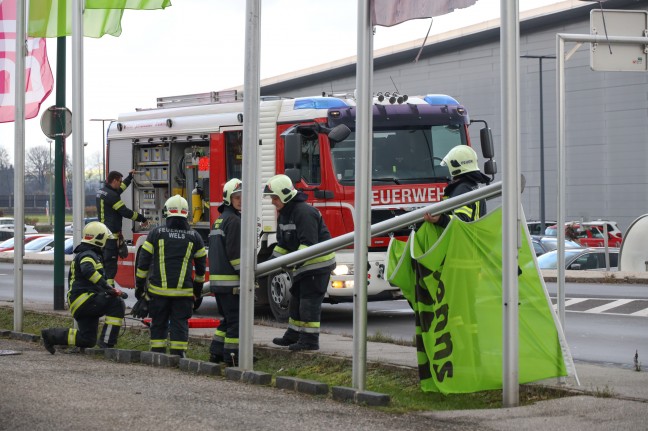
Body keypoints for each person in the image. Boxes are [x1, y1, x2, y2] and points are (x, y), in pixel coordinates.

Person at [264, 174, 336, 351]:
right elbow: (283, 245)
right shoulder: (284, 215)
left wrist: (289, 262)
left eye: (275, 197)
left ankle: (310, 341)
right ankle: (293, 334)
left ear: (285, 195)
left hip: (317, 266)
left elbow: (308, 244)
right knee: (296, 300)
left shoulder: (304, 212)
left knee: (308, 303)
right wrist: (270, 264)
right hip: (303, 267)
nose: (272, 201)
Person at [134, 195, 207, 357]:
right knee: (179, 324)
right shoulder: (195, 237)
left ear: (166, 213)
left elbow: (143, 264)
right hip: (183, 294)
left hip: (158, 293)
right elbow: (201, 269)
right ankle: (178, 355)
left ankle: (157, 354)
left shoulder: (155, 234)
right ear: (186, 214)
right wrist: (197, 291)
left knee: (158, 323)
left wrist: (140, 288)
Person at [41, 221, 126, 354]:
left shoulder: (86, 253)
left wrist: (108, 290)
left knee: (87, 340)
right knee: (117, 304)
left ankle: (50, 335)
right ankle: (107, 344)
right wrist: (108, 288)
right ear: (99, 238)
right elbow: (88, 271)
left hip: (82, 302)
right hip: (85, 300)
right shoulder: (88, 255)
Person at [208, 178, 243, 365]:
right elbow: (235, 254)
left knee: (227, 320)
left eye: (242, 196)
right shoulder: (234, 221)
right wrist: (246, 275)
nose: (240, 200)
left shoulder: (219, 220)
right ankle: (233, 356)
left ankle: (216, 351)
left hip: (218, 283)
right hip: (231, 283)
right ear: (229, 199)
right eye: (237, 197)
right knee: (236, 321)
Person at [96, 169, 149, 287]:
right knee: (110, 268)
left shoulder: (103, 191)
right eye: (119, 181)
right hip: (110, 238)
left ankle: (104, 289)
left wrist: (129, 177)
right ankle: (109, 293)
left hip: (104, 236)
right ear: (114, 181)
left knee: (105, 266)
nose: (120, 183)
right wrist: (142, 219)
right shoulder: (112, 196)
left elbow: (120, 189)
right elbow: (125, 212)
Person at [423, 146, 490, 226]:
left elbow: (462, 220)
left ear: (455, 165)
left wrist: (440, 219)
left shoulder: (462, 189)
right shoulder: (471, 186)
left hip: (464, 238)